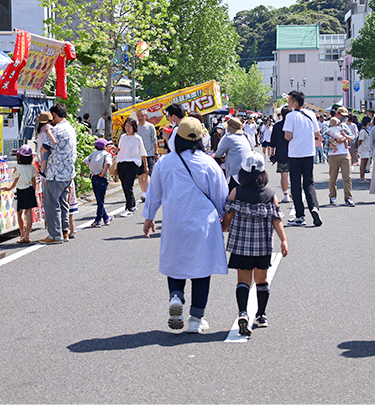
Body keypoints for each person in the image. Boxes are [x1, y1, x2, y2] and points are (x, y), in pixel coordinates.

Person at [143, 117, 229, 334]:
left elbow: (154, 193)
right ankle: (196, 319)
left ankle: (176, 296)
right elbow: (221, 195)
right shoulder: (209, 163)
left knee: (176, 261)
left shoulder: (165, 162)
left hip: (175, 221)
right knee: (202, 268)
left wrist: (149, 217)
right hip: (203, 223)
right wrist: (224, 217)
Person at [221, 152, 288, 335]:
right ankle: (261, 315)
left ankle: (243, 312)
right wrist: (284, 240)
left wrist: (223, 229)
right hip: (262, 247)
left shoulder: (237, 192)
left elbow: (228, 216)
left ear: (242, 173)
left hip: (241, 246)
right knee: (262, 280)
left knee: (243, 281)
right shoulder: (270, 195)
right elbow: (276, 220)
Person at [283, 91, 322, 227]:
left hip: (295, 154)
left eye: (289, 101)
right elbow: (317, 134)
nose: (288, 104)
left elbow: (288, 136)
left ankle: (300, 216)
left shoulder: (290, 116)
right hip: (309, 153)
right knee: (309, 184)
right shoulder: (311, 115)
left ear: (294, 103)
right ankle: (314, 208)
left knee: (295, 185)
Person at [40, 104, 77, 244]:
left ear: (54, 114)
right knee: (63, 203)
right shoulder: (70, 128)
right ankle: (65, 231)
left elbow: (45, 147)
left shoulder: (56, 130)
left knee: (52, 204)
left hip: (55, 172)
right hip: (68, 172)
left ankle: (55, 235)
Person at [115, 118, 148, 216]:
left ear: (134, 127)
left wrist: (145, 166)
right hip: (121, 163)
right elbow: (120, 150)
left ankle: (129, 208)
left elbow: (143, 153)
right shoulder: (123, 137)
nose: (127, 128)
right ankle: (132, 205)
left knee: (128, 186)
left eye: (129, 126)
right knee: (124, 186)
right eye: (126, 126)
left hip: (132, 163)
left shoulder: (137, 138)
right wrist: (114, 149)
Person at [7, 145, 38, 244]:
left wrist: (9, 188)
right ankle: (27, 235)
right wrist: (34, 192)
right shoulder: (32, 167)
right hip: (29, 190)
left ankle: (22, 234)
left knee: (19, 213)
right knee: (29, 213)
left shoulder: (17, 167)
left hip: (20, 190)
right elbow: (34, 181)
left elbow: (15, 180)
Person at [214, 118, 254, 191]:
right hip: (245, 170)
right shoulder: (243, 137)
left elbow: (218, 154)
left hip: (235, 172)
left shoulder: (229, 138)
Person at [84, 137, 115, 228]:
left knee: (99, 199)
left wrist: (91, 168)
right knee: (100, 200)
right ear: (104, 147)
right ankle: (98, 220)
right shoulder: (106, 154)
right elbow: (108, 163)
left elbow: (85, 161)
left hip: (94, 177)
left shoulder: (93, 154)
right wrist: (103, 172)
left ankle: (105, 217)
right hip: (102, 177)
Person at [326, 117, 355, 206]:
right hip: (332, 155)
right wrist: (336, 140)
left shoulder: (344, 126)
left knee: (347, 177)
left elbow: (352, 137)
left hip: (344, 154)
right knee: (333, 177)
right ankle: (332, 197)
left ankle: (348, 198)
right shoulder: (327, 125)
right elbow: (324, 137)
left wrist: (344, 137)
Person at [269, 106, 292, 203]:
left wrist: (272, 153)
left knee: (284, 175)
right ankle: (294, 193)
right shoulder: (293, 125)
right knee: (295, 175)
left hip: (281, 153)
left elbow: (272, 141)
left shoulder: (277, 126)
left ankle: (286, 195)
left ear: (281, 115)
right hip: (294, 153)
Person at [136, 108, 158, 199]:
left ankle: (147, 192)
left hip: (149, 153)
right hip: (137, 154)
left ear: (146, 116)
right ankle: (144, 192)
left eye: (142, 116)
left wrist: (155, 152)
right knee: (140, 175)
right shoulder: (135, 127)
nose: (141, 118)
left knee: (147, 173)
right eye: (139, 116)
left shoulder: (150, 126)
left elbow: (154, 140)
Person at [357, 116, 372, 183]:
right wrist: (359, 148)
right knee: (363, 163)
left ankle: (363, 177)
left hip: (367, 149)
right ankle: (361, 178)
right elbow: (360, 140)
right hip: (363, 149)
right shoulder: (363, 131)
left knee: (365, 163)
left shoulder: (366, 130)